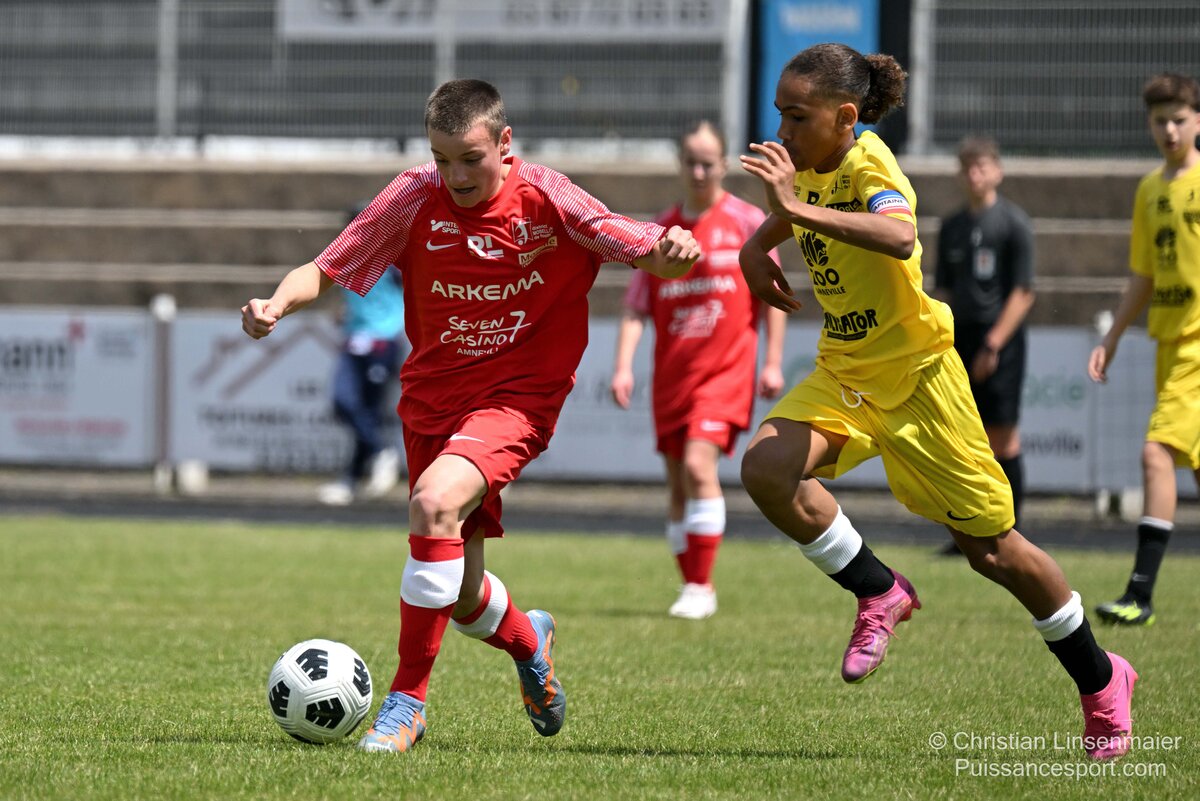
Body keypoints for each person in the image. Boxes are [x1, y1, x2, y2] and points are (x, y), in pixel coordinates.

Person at [241, 78, 700, 755]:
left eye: (470, 159)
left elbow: (636, 244)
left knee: (433, 503)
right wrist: (276, 304)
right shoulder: (414, 195)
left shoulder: (547, 197)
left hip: (518, 397)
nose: (454, 176)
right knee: (459, 593)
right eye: (442, 158)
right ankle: (529, 640)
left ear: (505, 143)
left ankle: (406, 705)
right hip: (432, 399)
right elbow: (326, 268)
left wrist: (673, 249)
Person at [737, 42, 1136, 760]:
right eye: (780, 116)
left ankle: (1103, 679)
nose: (783, 132)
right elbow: (794, 214)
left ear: (846, 117)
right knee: (766, 468)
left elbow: (898, 235)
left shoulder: (871, 163)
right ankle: (879, 589)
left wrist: (790, 207)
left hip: (920, 380)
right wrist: (752, 249)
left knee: (994, 553)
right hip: (847, 372)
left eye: (797, 118)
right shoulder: (810, 170)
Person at [609, 121, 786, 619]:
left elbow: (772, 296)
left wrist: (773, 361)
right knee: (677, 486)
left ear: (724, 164)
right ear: (681, 165)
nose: (700, 171)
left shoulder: (749, 222)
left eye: (708, 162)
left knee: (696, 466)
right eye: (691, 162)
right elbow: (636, 307)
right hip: (673, 377)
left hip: (725, 373)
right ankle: (690, 584)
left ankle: (701, 587)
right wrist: (622, 367)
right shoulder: (662, 231)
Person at [1088, 71, 1200, 627]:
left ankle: (1140, 594)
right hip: (1168, 345)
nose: (1170, 130)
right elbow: (1144, 276)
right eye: (1160, 121)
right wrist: (1111, 338)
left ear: (1197, 120)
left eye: (1179, 119)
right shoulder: (1150, 190)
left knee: (1156, 454)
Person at [932, 136, 1036, 551]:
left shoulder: (1013, 223)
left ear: (998, 171)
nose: (974, 175)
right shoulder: (952, 227)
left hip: (1000, 341)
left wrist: (993, 345)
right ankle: (971, 532)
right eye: (967, 168)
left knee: (1002, 437)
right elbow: (943, 290)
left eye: (982, 167)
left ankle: (1012, 535)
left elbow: (1023, 292)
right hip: (960, 338)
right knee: (961, 437)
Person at [316, 202, 407, 506]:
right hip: (355, 338)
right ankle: (380, 452)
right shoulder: (348, 257)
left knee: (366, 410)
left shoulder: (393, 256)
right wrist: (346, 313)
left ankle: (351, 480)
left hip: (382, 340)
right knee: (344, 403)